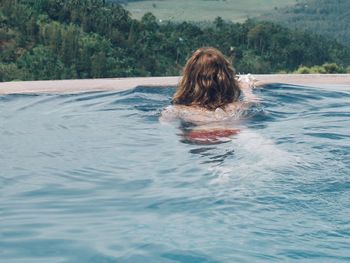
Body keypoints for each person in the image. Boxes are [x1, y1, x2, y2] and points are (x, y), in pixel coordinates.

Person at [160, 47, 260, 143]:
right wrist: (247, 90)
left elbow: (164, 127)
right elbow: (253, 102)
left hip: (197, 135)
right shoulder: (235, 107)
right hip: (230, 131)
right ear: (226, 79)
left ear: (188, 80)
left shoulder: (177, 110)